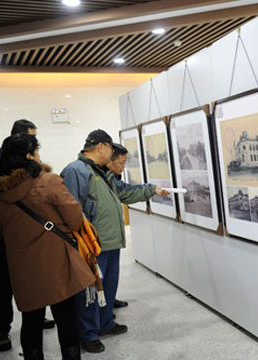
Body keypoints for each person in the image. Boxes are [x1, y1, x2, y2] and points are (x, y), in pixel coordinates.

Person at [0, 134, 95, 360]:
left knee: (31, 321)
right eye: (36, 151)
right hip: (57, 261)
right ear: (29, 156)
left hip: (22, 267)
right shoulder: (49, 182)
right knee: (66, 317)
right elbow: (75, 219)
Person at [60, 130, 168, 353]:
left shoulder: (102, 172)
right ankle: (88, 334)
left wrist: (152, 190)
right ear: (101, 146)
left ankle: (105, 323)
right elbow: (70, 210)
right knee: (90, 292)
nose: (112, 154)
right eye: (110, 148)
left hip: (111, 242)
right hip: (92, 245)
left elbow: (124, 193)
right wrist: (81, 242)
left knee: (108, 287)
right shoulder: (76, 171)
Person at [0, 119, 55, 352]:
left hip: (34, 228)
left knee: (37, 271)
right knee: (7, 277)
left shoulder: (34, 162)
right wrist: (4, 194)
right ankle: (1, 330)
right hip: (5, 229)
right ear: (19, 137)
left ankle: (37, 314)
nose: (36, 146)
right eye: (32, 138)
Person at [106, 144, 132, 310]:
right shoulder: (83, 174)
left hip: (112, 236)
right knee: (103, 277)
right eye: (121, 163)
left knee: (111, 277)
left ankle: (108, 304)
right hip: (101, 238)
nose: (123, 167)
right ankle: (103, 314)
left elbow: (124, 192)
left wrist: (151, 190)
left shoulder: (111, 178)